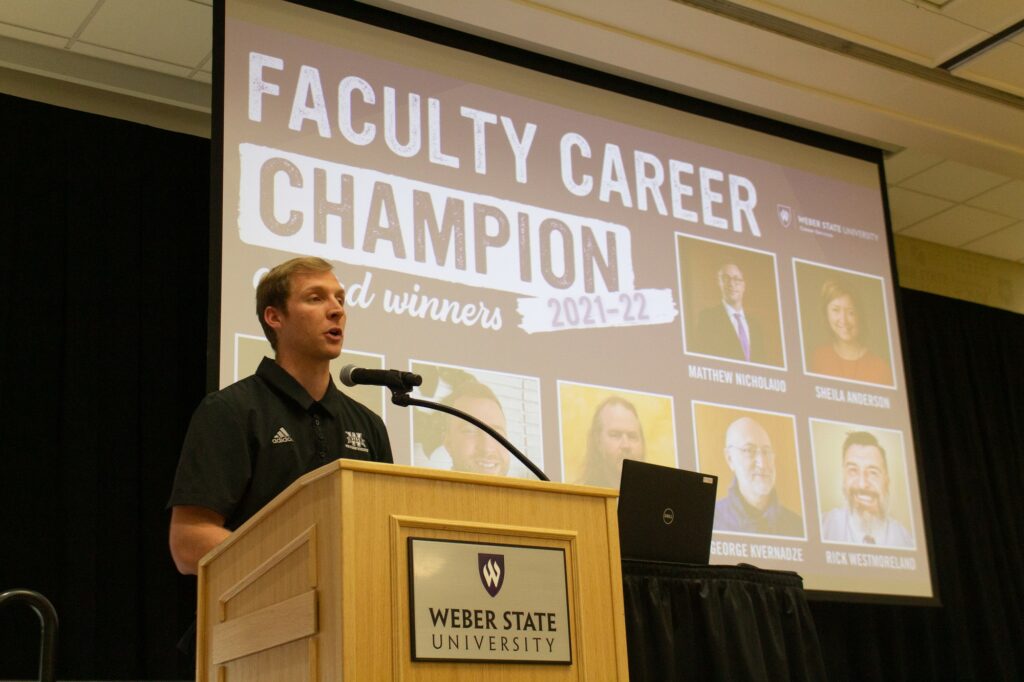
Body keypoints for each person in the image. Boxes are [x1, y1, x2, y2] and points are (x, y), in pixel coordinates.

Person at [167, 257, 393, 576]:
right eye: (316, 298)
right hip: (258, 617)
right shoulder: (230, 411)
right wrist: (300, 567)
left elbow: (384, 534)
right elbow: (189, 543)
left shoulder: (368, 424)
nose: (337, 310)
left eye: (340, 299)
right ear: (274, 317)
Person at [713, 417, 802, 536]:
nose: (762, 463)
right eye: (749, 450)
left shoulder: (797, 526)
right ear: (730, 458)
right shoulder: (712, 520)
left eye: (766, 451)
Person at [821, 431, 912, 547]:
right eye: (853, 471)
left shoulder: (906, 540)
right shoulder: (823, 527)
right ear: (844, 480)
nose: (862, 484)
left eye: (873, 473)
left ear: (886, 482)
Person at [808, 279, 891, 384]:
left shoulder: (880, 368)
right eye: (836, 310)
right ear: (826, 314)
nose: (843, 320)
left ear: (859, 315)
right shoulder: (819, 357)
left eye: (850, 312)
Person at [693, 263, 766, 363]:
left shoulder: (755, 326)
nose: (731, 284)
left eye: (736, 279)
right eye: (726, 279)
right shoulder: (708, 318)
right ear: (719, 283)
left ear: (744, 285)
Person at [577, 397, 646, 488]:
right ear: (598, 442)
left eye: (632, 436)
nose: (626, 445)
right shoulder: (581, 497)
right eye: (615, 435)